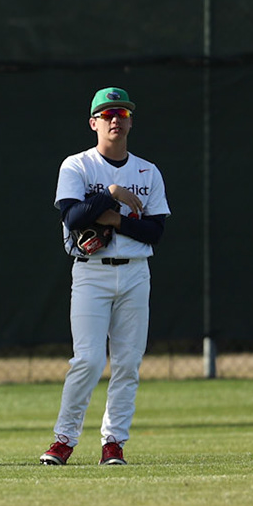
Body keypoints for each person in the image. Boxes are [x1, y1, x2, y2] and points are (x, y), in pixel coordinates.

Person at [43, 86, 170, 467]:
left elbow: (155, 232)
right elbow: (73, 217)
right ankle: (64, 439)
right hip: (91, 273)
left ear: (130, 122)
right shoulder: (77, 166)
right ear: (93, 123)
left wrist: (112, 219)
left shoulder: (148, 171)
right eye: (108, 114)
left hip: (135, 273)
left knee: (129, 362)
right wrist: (112, 194)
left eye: (123, 114)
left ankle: (113, 442)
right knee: (87, 360)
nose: (116, 120)